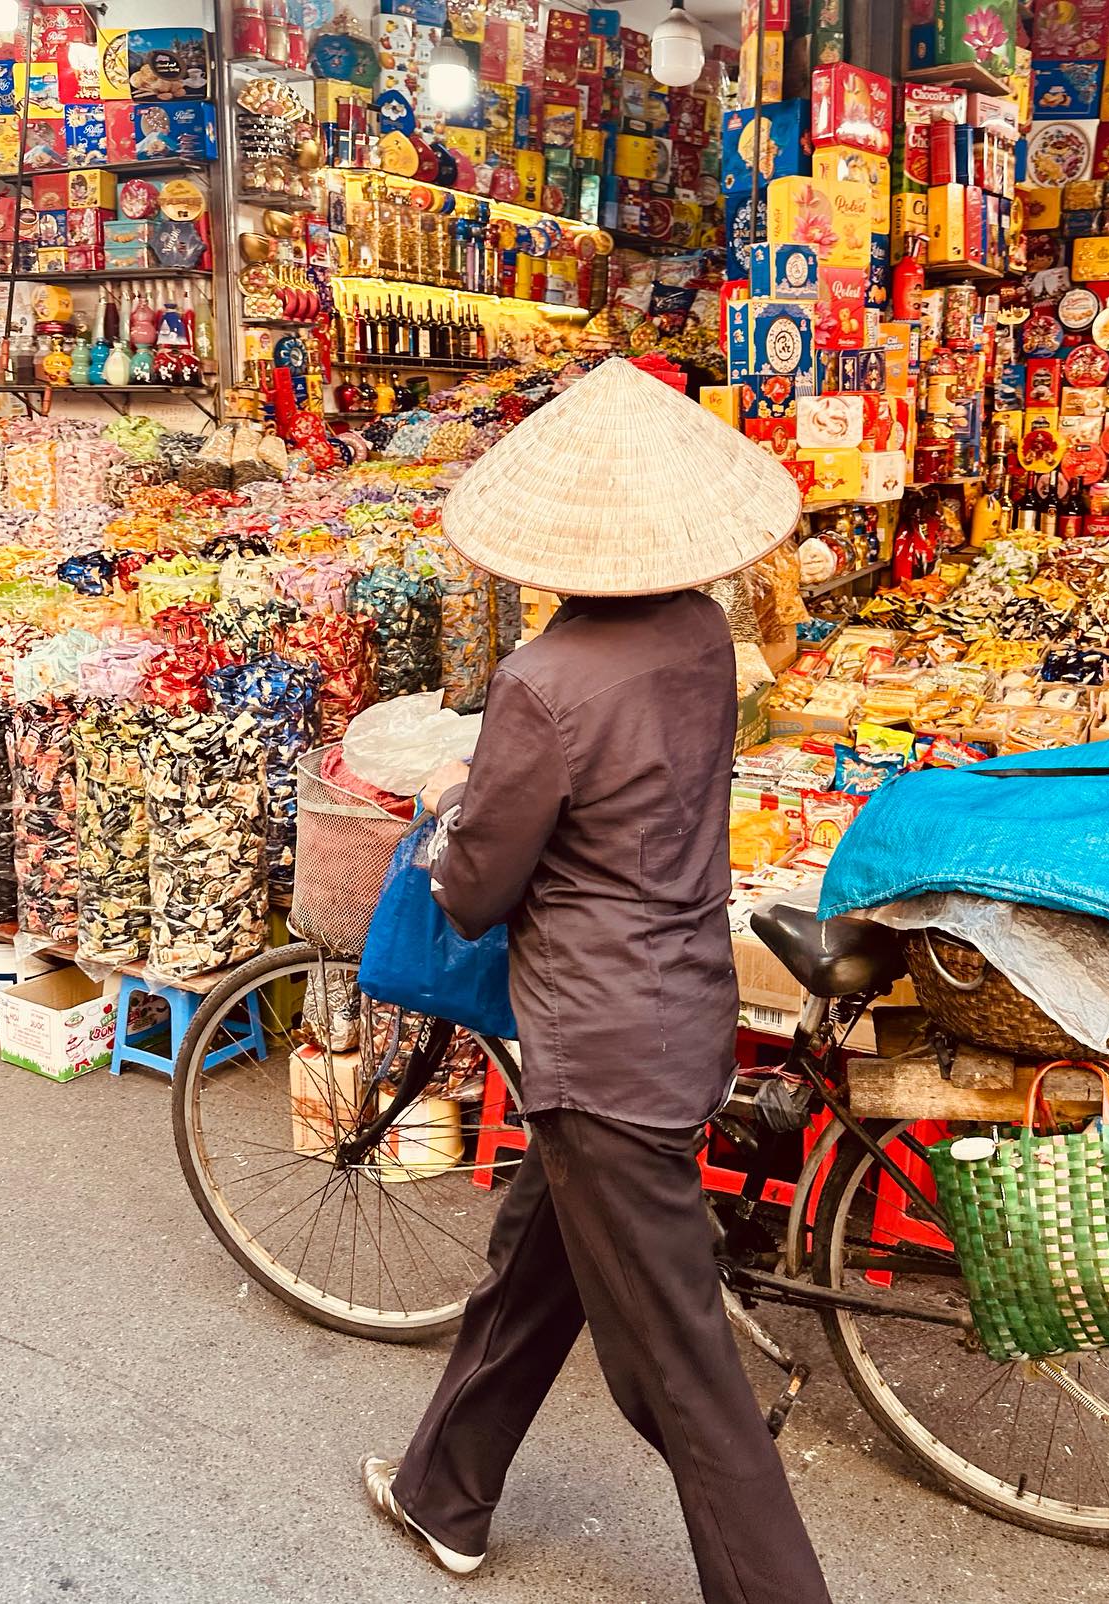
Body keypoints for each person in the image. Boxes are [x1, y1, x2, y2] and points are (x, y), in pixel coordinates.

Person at [359, 358, 832, 1604]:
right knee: (535, 1261)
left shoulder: (545, 682)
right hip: (674, 1007)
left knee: (681, 1368)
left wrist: (459, 822)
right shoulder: (703, 636)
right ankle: (442, 1490)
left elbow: (476, 888)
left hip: (597, 1044)